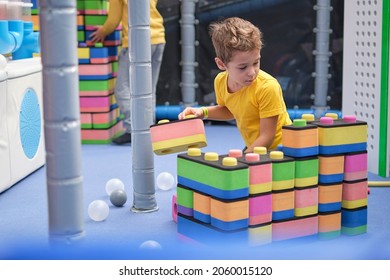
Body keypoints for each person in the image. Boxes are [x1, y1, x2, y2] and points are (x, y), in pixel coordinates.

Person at [178, 17, 292, 152]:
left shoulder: (268, 87)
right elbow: (230, 111)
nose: (251, 72)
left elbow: (267, 136)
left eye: (256, 63)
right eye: (243, 67)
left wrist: (243, 159)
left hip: (282, 150)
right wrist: (202, 112)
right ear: (221, 64)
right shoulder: (220, 81)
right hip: (257, 148)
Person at [89, 0, 166, 145]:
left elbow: (113, 20)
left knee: (122, 88)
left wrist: (102, 31)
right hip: (158, 38)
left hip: (137, 42)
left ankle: (133, 129)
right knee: (149, 89)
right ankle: (149, 129)